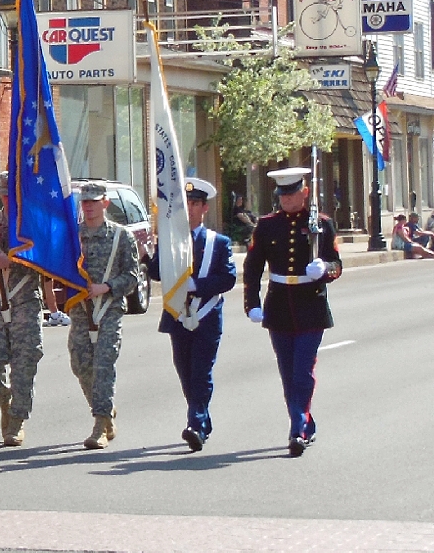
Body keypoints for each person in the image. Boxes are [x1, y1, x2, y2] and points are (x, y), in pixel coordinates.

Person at [243, 167, 342, 457]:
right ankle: (304, 421)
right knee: (288, 373)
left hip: (310, 305)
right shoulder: (266, 225)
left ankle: (297, 428)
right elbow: (252, 268)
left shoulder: (321, 224)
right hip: (279, 306)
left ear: (305, 192)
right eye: (282, 196)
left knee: (303, 371)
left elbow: (337, 265)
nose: (286, 200)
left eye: (291, 194)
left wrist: (324, 270)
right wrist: (252, 303)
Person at [150, 178, 236, 452]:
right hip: (177, 316)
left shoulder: (218, 242)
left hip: (207, 316)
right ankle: (202, 419)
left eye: (195, 204)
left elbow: (228, 279)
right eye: (185, 203)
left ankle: (195, 424)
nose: (190, 208)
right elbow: (155, 272)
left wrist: (197, 286)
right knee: (185, 371)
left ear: (204, 209)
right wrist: (144, 253)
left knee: (201, 372)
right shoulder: (169, 239)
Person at [0, 171, 46, 446]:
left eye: (10, 193)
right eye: (2, 194)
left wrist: (11, 260)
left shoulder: (31, 223)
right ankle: (4, 400)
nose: (6, 198)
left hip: (24, 300)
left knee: (24, 363)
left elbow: (44, 260)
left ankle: (16, 420)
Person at [67, 182, 140, 450]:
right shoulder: (73, 237)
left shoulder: (122, 237)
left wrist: (107, 287)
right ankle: (106, 410)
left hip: (109, 309)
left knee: (103, 366)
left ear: (105, 203)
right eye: (85, 201)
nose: (88, 206)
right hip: (80, 309)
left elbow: (132, 277)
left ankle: (99, 425)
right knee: (81, 365)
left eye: (94, 201)